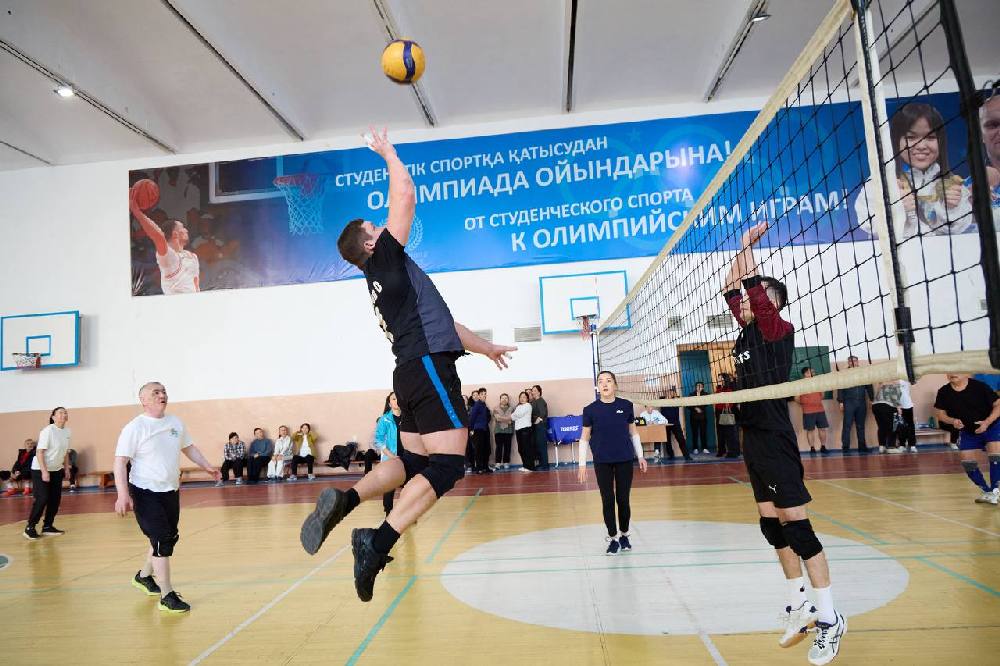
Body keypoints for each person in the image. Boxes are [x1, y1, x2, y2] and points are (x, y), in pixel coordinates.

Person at [298, 127, 516, 603]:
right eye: (375, 228)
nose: (383, 227)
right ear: (370, 245)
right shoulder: (386, 260)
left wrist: (486, 348)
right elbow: (406, 197)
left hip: (410, 371)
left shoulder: (387, 282)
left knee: (415, 462)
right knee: (449, 465)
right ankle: (376, 543)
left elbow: (447, 325)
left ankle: (347, 500)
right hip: (428, 367)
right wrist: (389, 154)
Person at [723, 221, 846, 663]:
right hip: (753, 436)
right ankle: (799, 603)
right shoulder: (746, 331)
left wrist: (748, 251)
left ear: (770, 302)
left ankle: (830, 619)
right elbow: (731, 286)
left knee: (797, 526)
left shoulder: (776, 329)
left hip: (775, 437)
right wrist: (740, 248)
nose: (744, 301)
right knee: (771, 526)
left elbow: (750, 288)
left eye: (754, 297)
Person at [114, 381, 220, 613]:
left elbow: (188, 447)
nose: (162, 395)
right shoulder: (135, 427)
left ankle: (144, 577)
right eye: (156, 392)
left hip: (170, 490)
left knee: (167, 538)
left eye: (163, 391)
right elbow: (120, 462)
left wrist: (206, 466)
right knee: (162, 539)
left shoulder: (175, 422)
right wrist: (122, 494)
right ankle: (167, 595)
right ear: (143, 400)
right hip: (145, 491)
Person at [854, 102, 973, 239]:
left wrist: (951, 208)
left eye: (930, 137)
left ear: (940, 141)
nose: (921, 146)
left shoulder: (952, 184)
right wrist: (896, 210)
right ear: (896, 141)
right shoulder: (880, 182)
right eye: (911, 137)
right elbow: (868, 224)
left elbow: (957, 231)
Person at [577, 371, 648, 554]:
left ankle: (624, 534)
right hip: (602, 461)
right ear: (597, 387)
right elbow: (584, 438)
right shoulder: (590, 410)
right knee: (607, 500)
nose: (605, 384)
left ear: (615, 385)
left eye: (608, 381)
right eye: (601, 381)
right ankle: (613, 538)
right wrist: (582, 464)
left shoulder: (626, 406)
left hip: (625, 459)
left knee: (623, 499)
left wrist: (640, 456)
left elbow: (633, 433)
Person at [934, 374, 1000, 505]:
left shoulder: (979, 386)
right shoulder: (944, 391)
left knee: (996, 457)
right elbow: (940, 414)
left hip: (991, 426)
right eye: (949, 371)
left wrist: (987, 422)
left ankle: (995, 491)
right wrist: (952, 421)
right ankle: (987, 491)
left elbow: (998, 405)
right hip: (968, 430)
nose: (952, 373)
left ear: (965, 373)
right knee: (967, 462)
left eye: (956, 370)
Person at [129, 184, 200, 295]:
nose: (186, 230)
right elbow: (158, 237)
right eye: (182, 227)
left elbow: (196, 283)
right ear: (175, 234)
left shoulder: (192, 256)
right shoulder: (169, 256)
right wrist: (137, 212)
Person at [23, 407, 72, 540]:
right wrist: (44, 471)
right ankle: (30, 527)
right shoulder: (48, 431)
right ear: (53, 417)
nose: (64, 414)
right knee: (42, 498)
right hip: (40, 469)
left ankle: (47, 526)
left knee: (55, 499)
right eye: (60, 413)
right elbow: (40, 452)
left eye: (65, 413)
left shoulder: (67, 431)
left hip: (56, 469)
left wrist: (67, 468)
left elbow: (66, 452)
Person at [836, 357, 873, 454]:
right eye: (850, 361)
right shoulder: (844, 374)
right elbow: (840, 388)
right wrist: (841, 402)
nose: (852, 362)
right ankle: (845, 447)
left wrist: (871, 399)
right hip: (848, 402)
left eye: (854, 361)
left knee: (861, 426)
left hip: (861, 402)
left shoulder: (863, 372)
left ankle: (862, 446)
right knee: (847, 425)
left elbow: (869, 386)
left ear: (857, 362)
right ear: (848, 362)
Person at [374, 392, 403, 515]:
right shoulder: (384, 419)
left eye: (398, 398)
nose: (397, 401)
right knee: (389, 487)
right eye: (394, 399)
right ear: (389, 403)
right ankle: (388, 513)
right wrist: (390, 455)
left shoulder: (408, 418)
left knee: (409, 487)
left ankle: (408, 513)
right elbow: (378, 440)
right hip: (390, 458)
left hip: (407, 457)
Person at [796, 368, 830, 456]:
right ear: (805, 374)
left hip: (820, 409)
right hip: (808, 411)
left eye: (812, 372)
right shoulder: (800, 384)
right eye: (810, 372)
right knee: (810, 430)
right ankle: (812, 448)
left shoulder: (817, 382)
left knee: (822, 429)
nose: (812, 373)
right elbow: (796, 398)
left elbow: (822, 395)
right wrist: (806, 403)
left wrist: (816, 400)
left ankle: (823, 447)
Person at [872, 380, 905, 454]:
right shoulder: (896, 386)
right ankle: (891, 447)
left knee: (881, 427)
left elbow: (877, 395)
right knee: (893, 426)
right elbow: (895, 399)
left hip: (875, 406)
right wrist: (899, 408)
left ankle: (881, 446)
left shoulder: (882, 385)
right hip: (886, 406)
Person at [660, 389, 692, 462]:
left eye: (672, 393)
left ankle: (687, 456)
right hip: (666, 424)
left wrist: (675, 397)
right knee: (667, 440)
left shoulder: (676, 400)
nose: (670, 394)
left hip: (675, 423)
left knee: (681, 439)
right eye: (669, 393)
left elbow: (681, 401)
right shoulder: (662, 400)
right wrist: (666, 398)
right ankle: (671, 455)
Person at [716, 373, 740, 458]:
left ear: (724, 379)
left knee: (730, 433)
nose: (719, 380)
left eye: (720, 378)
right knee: (721, 433)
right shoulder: (719, 387)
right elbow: (717, 399)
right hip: (719, 412)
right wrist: (719, 387)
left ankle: (733, 452)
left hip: (727, 412)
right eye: (718, 378)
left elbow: (730, 401)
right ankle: (721, 450)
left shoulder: (730, 387)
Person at [469, 389, 492, 474]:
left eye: (485, 394)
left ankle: (485, 467)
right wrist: (471, 429)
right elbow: (472, 418)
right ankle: (479, 468)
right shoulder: (477, 405)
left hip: (485, 429)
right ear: (478, 396)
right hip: (478, 430)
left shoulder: (484, 405)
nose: (484, 395)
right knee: (479, 449)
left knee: (486, 449)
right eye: (482, 394)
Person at [512, 391, 535, 472]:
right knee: (521, 449)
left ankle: (530, 467)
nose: (522, 398)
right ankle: (525, 465)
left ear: (527, 399)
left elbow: (518, 415)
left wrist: (515, 415)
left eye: (524, 397)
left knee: (527, 449)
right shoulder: (518, 407)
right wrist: (515, 415)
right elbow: (513, 417)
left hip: (525, 429)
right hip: (518, 430)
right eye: (521, 397)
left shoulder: (528, 405)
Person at [530, 385, 550, 470]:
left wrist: (538, 420)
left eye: (535, 390)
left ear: (539, 392)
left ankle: (545, 465)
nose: (533, 392)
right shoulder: (534, 401)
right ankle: (542, 463)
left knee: (542, 445)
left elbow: (543, 413)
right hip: (536, 427)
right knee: (538, 445)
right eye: (532, 390)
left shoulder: (540, 400)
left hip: (541, 426)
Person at [687, 382, 711, 454]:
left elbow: (708, 402)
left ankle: (705, 448)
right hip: (693, 417)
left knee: (703, 433)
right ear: (695, 387)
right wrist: (695, 408)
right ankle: (695, 448)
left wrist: (701, 407)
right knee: (694, 433)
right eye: (697, 386)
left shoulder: (705, 394)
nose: (699, 387)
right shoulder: (691, 394)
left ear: (703, 387)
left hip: (702, 417)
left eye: (700, 386)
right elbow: (687, 405)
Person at [493, 393, 515, 470]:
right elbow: (497, 418)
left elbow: (512, 419)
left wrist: (503, 418)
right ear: (500, 399)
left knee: (507, 448)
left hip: (509, 431)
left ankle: (506, 462)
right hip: (498, 431)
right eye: (502, 398)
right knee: (498, 447)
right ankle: (498, 463)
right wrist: (508, 420)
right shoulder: (496, 408)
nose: (504, 399)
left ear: (508, 400)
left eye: (506, 398)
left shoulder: (512, 409)